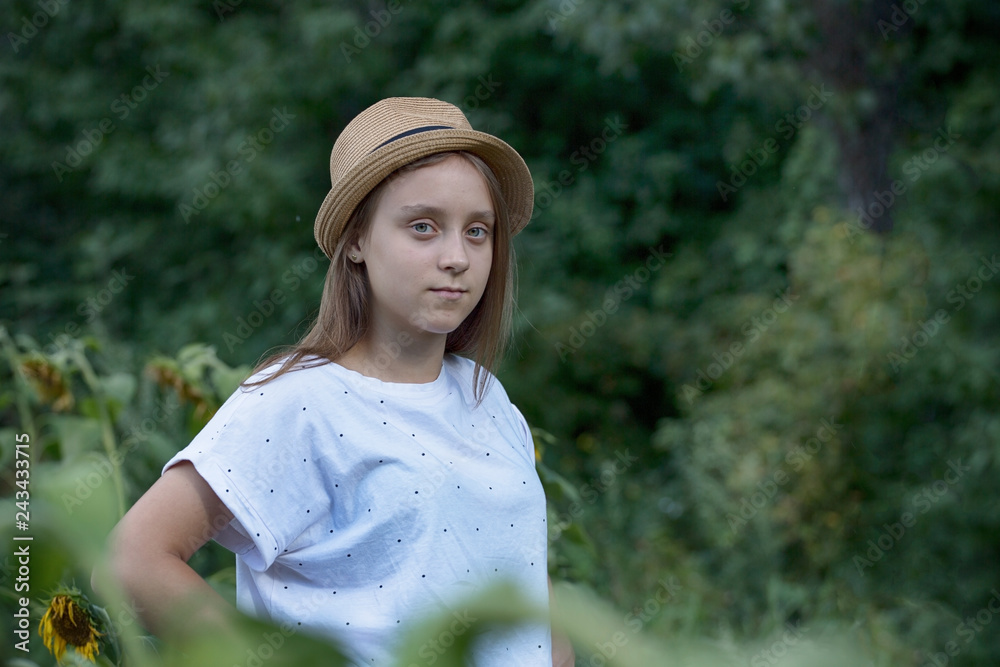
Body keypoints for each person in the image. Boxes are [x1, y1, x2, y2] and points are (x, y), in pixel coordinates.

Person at [98, 97, 574, 666]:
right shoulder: (300, 402)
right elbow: (134, 558)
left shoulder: (486, 396)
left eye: (477, 231)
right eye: (423, 227)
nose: (457, 257)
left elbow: (523, 577)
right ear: (355, 241)